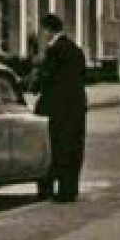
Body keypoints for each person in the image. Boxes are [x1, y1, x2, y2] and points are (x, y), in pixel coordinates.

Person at [33, 12, 88, 203]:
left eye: (42, 30)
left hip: (56, 107)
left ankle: (50, 190)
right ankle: (69, 189)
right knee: (73, 146)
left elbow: (46, 77)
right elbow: (82, 75)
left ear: (47, 30)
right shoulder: (75, 49)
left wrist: (33, 83)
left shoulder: (54, 50)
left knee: (54, 148)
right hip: (76, 105)